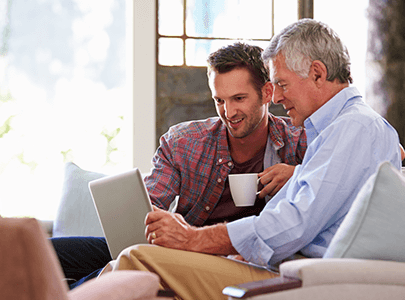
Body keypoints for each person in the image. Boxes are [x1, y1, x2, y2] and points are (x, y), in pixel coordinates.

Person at [100, 19, 402, 300]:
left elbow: (293, 224)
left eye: (282, 84)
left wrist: (192, 238)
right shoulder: (342, 129)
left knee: (135, 259)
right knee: (127, 270)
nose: (279, 98)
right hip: (283, 266)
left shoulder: (353, 128)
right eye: (220, 100)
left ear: (318, 74)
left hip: (299, 279)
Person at [51, 42, 307, 289]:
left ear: (267, 93)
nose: (229, 112)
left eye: (239, 98)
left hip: (233, 262)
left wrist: (298, 174)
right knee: (48, 251)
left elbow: (332, 191)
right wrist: (158, 221)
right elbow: (152, 204)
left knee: (128, 263)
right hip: (179, 249)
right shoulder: (184, 142)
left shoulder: (299, 142)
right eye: (219, 100)